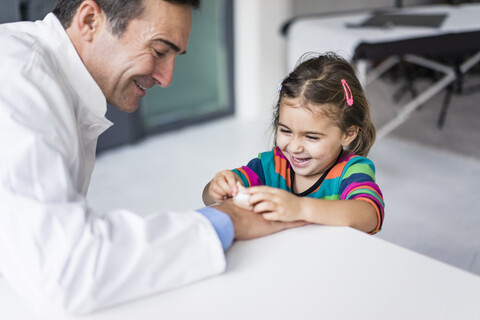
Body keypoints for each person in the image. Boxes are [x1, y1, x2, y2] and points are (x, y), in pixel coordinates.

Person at [0, 0, 305, 315]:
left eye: (174, 56)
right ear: (90, 20)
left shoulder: (48, 78)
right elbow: (64, 268)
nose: (167, 77)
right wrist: (229, 219)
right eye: (160, 51)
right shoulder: (17, 86)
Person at [203, 52, 385, 234]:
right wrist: (217, 188)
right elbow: (209, 198)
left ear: (348, 134)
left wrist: (300, 208)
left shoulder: (352, 170)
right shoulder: (271, 165)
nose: (294, 147)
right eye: (285, 131)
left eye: (312, 137)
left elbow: (370, 216)